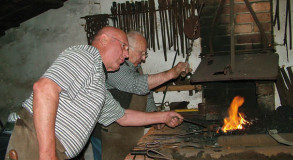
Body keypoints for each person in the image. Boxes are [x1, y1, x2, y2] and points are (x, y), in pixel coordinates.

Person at [5, 26, 183, 160]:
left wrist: (163, 116)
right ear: (104, 39)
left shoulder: (97, 83)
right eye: (123, 47)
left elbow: (123, 117)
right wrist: (47, 154)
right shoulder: (87, 55)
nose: (126, 55)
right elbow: (44, 88)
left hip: (51, 149)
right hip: (34, 141)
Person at [90, 31, 190, 160]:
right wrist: (171, 73)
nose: (143, 58)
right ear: (127, 49)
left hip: (128, 131)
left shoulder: (136, 67)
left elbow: (146, 93)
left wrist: (154, 113)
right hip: (107, 135)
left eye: (145, 54)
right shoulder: (114, 69)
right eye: (141, 53)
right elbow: (136, 85)